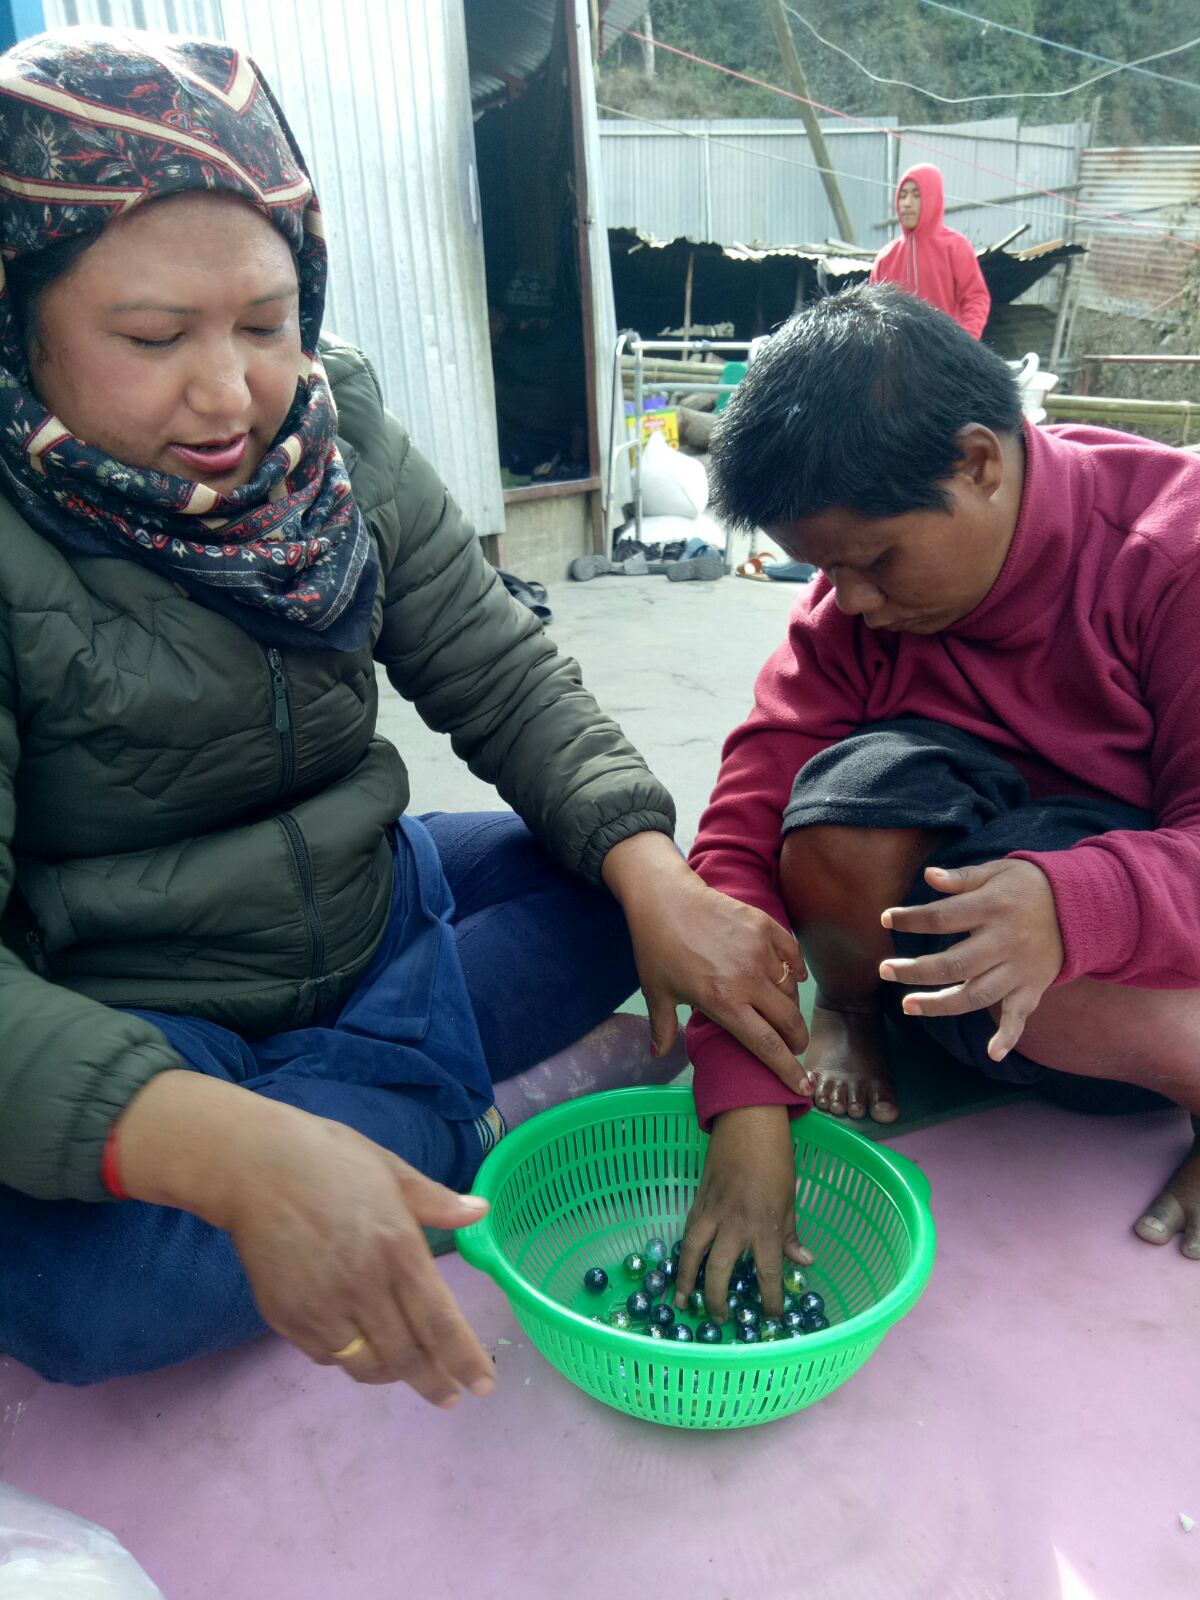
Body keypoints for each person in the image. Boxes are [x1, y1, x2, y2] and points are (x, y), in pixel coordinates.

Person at [0, 29, 811, 1394]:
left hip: (369, 914)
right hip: (133, 999)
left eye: (267, 323)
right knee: (78, 1299)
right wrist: (214, 1146)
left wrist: (652, 872)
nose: (230, 393)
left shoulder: (336, 443)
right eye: (152, 338)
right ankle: (439, 1126)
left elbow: (502, 674)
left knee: (628, 889)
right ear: (20, 320)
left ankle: (375, 1132)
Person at [671, 283, 1200, 1321]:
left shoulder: (1171, 557)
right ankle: (856, 1012)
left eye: (874, 561)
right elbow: (738, 836)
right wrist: (745, 1098)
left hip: (1125, 968)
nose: (852, 600)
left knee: (997, 923)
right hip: (955, 959)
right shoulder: (847, 608)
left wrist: (1073, 906)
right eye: (828, 569)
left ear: (978, 462)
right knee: (840, 809)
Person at [870, 164, 991, 340]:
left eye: (916, 195)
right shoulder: (886, 257)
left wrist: (965, 343)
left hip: (946, 352)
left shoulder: (955, 246)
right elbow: (873, 313)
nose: (907, 203)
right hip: (900, 355)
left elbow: (976, 298)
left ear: (932, 198)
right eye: (902, 196)